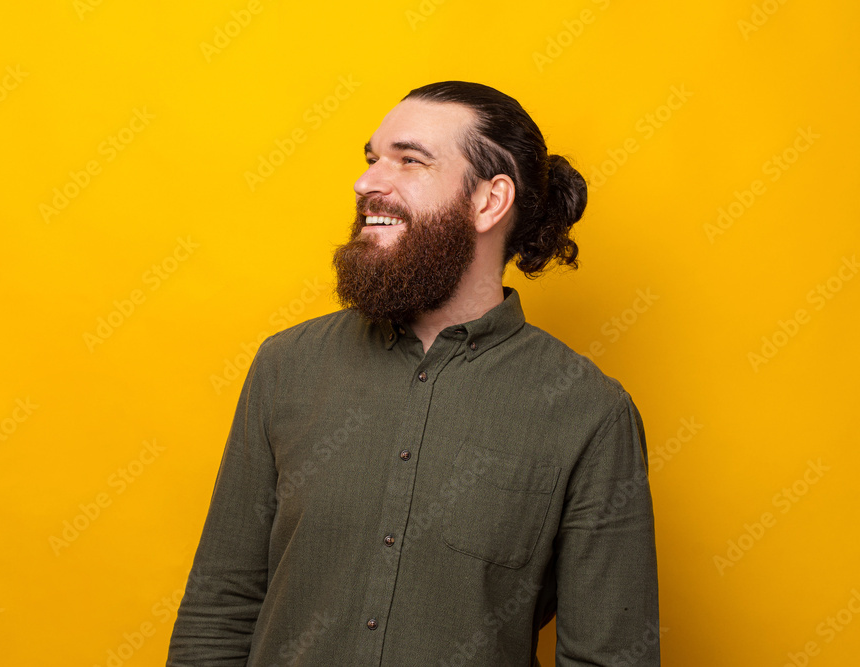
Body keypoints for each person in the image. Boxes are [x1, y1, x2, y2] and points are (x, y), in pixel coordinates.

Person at [167, 81, 660, 666]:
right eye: (372, 159)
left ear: (488, 202)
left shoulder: (590, 414)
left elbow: (609, 657)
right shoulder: (286, 367)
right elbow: (219, 608)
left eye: (409, 160)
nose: (368, 182)